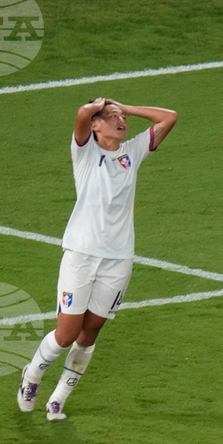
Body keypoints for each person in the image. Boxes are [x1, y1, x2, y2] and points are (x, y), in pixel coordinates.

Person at [17, 97, 177, 420]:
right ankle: (31, 376)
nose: (121, 121)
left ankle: (59, 398)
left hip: (118, 260)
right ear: (96, 125)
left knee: (90, 333)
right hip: (81, 255)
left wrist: (126, 107)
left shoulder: (132, 152)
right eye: (112, 117)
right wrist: (96, 106)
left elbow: (169, 118)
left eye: (123, 118)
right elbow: (80, 114)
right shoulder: (86, 152)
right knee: (66, 335)